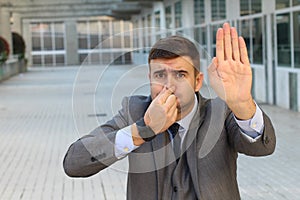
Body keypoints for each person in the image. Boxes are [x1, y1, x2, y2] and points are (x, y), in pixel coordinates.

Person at [63, 23, 276, 200]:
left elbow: (262, 147)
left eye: (180, 75)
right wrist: (142, 131)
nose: (169, 85)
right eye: (160, 75)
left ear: (197, 81)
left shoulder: (220, 113)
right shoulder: (134, 110)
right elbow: (74, 163)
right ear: (149, 78)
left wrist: (242, 103)